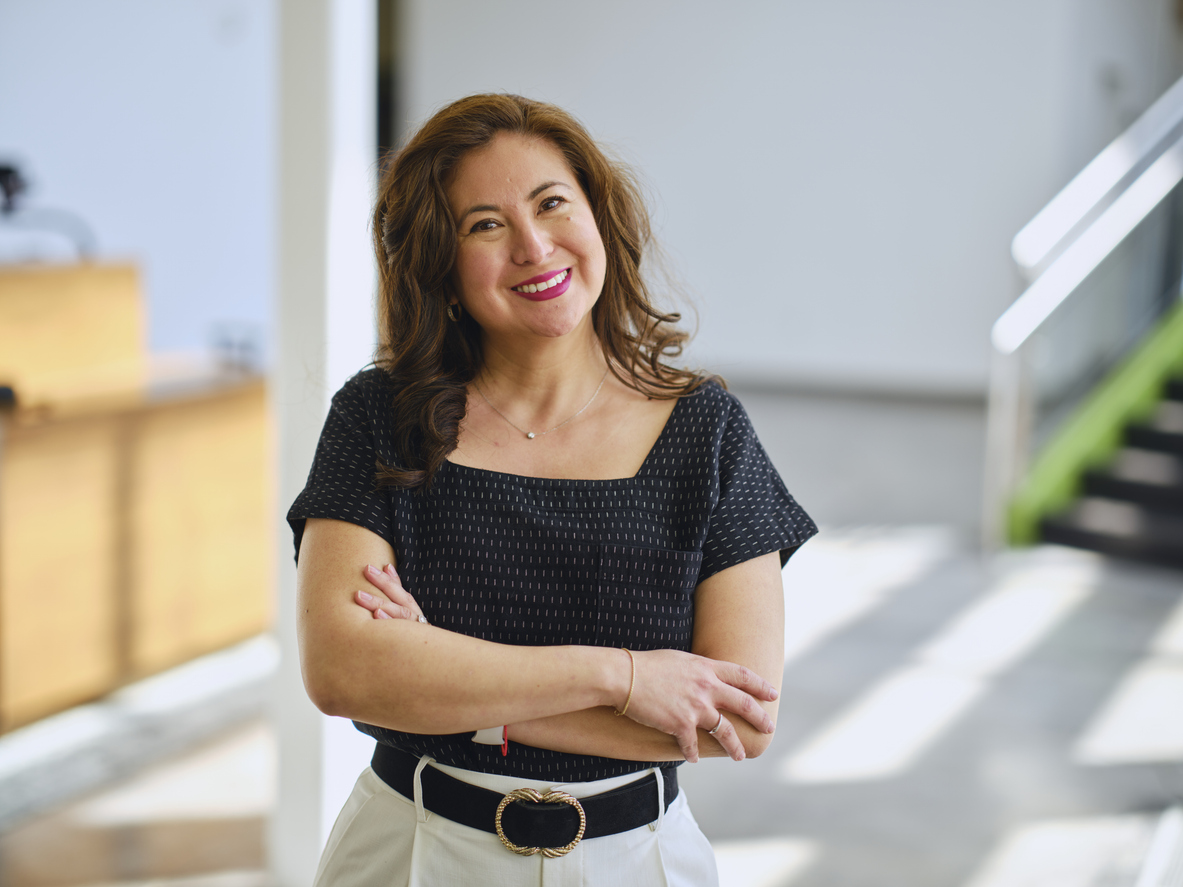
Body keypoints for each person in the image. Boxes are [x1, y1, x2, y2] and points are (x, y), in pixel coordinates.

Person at [288, 93, 817, 887]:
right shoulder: (379, 416)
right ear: (439, 260)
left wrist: (450, 686)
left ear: (597, 215)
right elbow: (343, 673)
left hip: (636, 861)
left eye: (551, 204)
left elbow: (735, 719)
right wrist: (629, 678)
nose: (533, 246)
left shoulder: (705, 432)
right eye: (484, 224)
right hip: (411, 850)